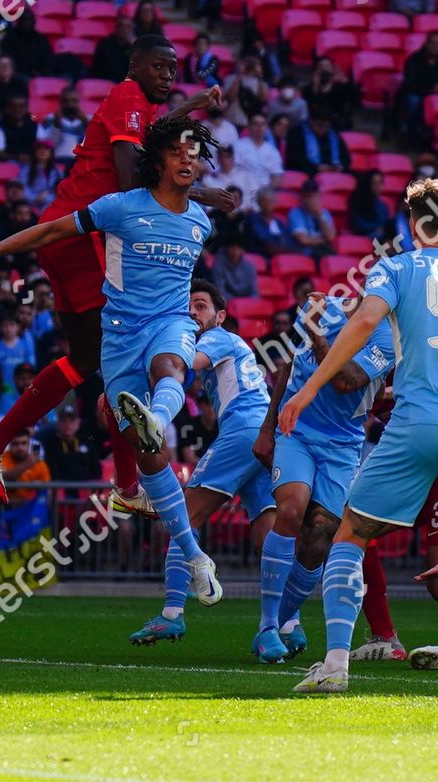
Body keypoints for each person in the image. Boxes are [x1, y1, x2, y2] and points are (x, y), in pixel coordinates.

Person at [0, 116, 229, 608]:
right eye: (179, 151)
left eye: (195, 153)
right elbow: (51, 231)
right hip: (118, 337)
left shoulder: (200, 222)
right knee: (151, 461)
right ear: (158, 158)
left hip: (170, 324)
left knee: (172, 369)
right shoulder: (119, 207)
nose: (189, 160)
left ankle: (155, 420)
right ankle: (195, 555)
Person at [0, 34, 232, 512]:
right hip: (84, 237)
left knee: (85, 359)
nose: (167, 75)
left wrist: (197, 102)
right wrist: (205, 196)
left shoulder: (141, 110)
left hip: (64, 237)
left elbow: (159, 132)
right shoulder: (128, 97)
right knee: (118, 361)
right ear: (134, 66)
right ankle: (126, 487)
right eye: (159, 67)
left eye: (173, 70)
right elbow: (132, 182)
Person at [273, 180, 438, 692]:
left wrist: (305, 392)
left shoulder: (395, 267)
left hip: (419, 422)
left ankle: (336, 666)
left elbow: (366, 320)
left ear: (412, 224)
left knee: (351, 534)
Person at [128, 281, 277, 646]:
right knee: (269, 539)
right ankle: (278, 628)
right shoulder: (232, 348)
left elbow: (183, 362)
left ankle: (172, 614)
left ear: (220, 316)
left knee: (183, 518)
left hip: (244, 432)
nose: (193, 313)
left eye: (201, 306)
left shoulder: (219, 339)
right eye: (187, 307)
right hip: (265, 438)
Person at [250, 289, 393, 665]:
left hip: (343, 445)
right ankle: (268, 626)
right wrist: (267, 428)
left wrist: (316, 334)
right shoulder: (324, 307)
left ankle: (281, 621)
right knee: (292, 510)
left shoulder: (387, 338)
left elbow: (346, 380)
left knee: (318, 537)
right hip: (297, 431)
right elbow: (288, 368)